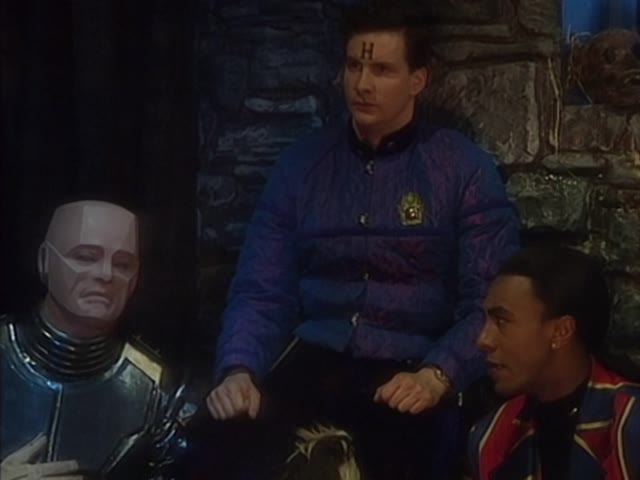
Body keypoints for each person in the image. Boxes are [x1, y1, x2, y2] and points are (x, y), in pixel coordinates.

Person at [203, 2, 520, 479]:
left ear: (418, 79)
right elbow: (261, 289)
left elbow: (488, 302)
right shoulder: (301, 166)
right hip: (315, 363)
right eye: (354, 66)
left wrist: (440, 373)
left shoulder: (463, 169)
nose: (362, 84)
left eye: (382, 70)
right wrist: (239, 368)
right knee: (218, 444)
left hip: (413, 368)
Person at [0, 200, 193, 480]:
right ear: (45, 260)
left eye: (123, 264)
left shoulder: (157, 391)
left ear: (136, 277)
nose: (105, 274)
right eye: (85, 257)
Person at [468, 246, 640, 480]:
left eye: (502, 321)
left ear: (561, 331)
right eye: (486, 320)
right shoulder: (492, 437)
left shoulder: (630, 424)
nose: (483, 340)